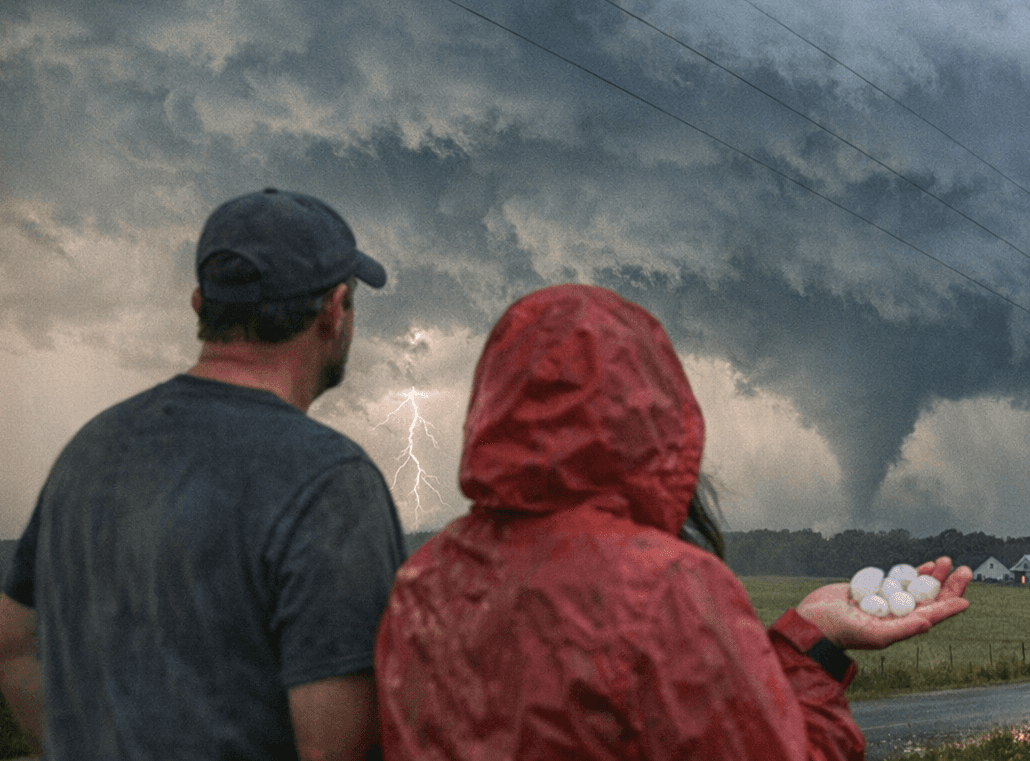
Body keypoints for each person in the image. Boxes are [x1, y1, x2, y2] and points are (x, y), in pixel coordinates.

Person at [374, 284, 971, 760]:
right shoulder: (664, 589)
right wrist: (813, 652)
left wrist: (807, 631)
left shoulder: (421, 580)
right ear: (657, 414)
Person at [0, 188, 407, 760]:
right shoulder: (332, 482)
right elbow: (341, 748)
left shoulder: (90, 448)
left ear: (199, 306)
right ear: (334, 310)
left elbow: (9, 650)